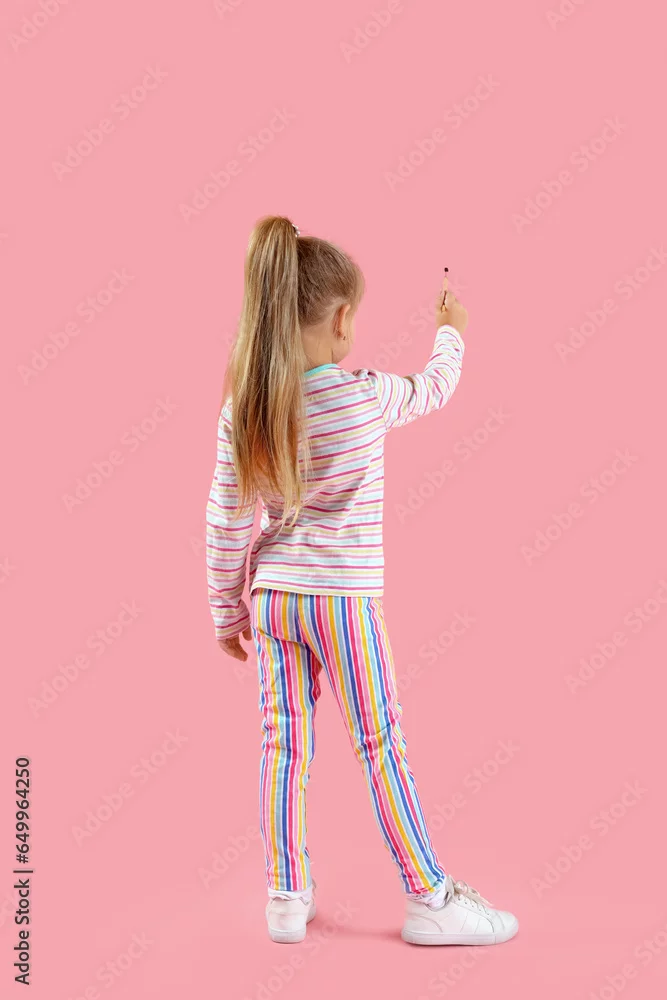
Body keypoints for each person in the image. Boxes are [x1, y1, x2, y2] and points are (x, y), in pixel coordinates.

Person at [206, 216, 518, 946]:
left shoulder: (246, 410)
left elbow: (226, 517)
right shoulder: (366, 396)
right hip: (343, 602)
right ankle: (428, 897)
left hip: (275, 599)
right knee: (380, 743)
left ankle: (286, 896)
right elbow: (434, 386)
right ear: (342, 318)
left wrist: (226, 609)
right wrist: (451, 331)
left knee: (282, 746)